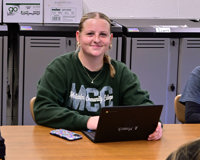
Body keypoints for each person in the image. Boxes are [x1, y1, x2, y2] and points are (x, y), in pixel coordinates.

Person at [34, 12, 162, 141]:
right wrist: (88, 121)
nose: (96, 39)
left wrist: (156, 125)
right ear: (78, 37)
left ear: (110, 39)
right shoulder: (60, 68)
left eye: (103, 34)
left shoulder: (120, 72)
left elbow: (145, 108)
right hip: (67, 146)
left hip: (109, 145)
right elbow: (43, 109)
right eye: (90, 34)